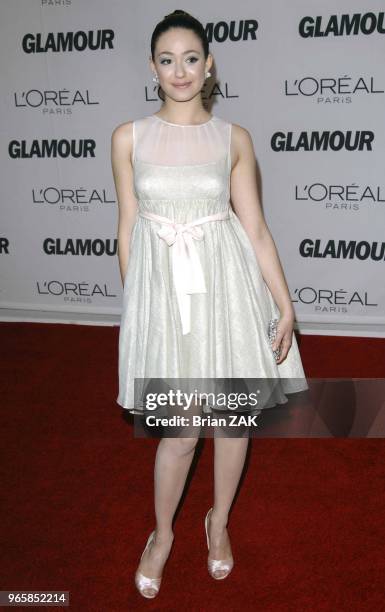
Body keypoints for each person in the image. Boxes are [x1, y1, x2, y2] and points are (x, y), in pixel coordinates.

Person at [111, 10, 307, 599]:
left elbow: (257, 230)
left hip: (226, 290)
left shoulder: (232, 139)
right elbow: (127, 229)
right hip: (164, 299)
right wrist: (139, 310)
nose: (179, 71)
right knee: (180, 431)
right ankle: (164, 534)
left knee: (229, 422)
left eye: (190, 58)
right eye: (167, 60)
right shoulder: (129, 137)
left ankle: (217, 522)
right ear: (152, 67)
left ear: (209, 64)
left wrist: (285, 305)